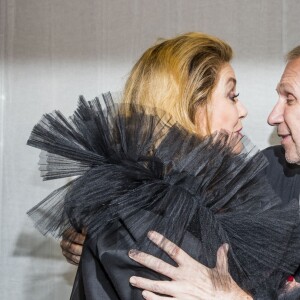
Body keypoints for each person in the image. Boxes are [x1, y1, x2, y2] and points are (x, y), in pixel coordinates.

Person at [28, 33, 300, 299]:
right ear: (190, 105)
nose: (249, 112)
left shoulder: (230, 187)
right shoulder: (267, 170)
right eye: (232, 95)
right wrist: (94, 231)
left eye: (289, 99)